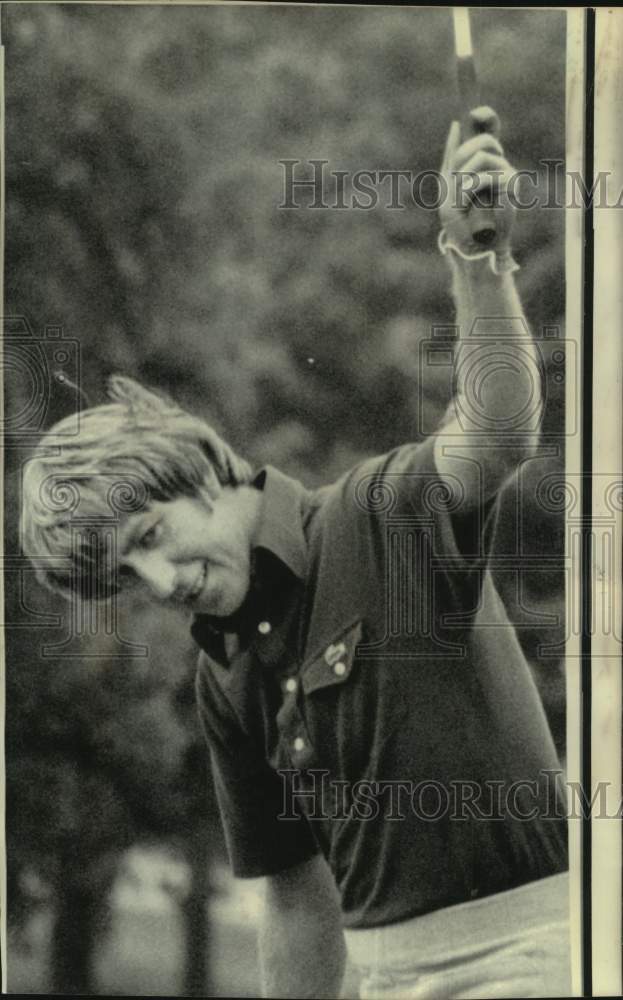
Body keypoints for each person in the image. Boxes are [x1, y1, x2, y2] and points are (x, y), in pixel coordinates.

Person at [21, 109, 570, 999]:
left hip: (532, 958)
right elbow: (292, 901)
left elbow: (500, 429)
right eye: (127, 577)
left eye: (152, 539)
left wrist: (475, 260)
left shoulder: (374, 513)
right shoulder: (225, 673)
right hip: (385, 981)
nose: (161, 584)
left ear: (201, 468)